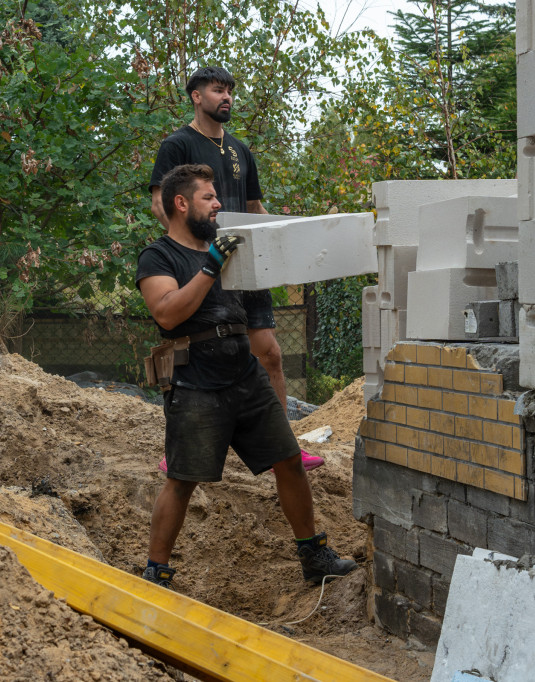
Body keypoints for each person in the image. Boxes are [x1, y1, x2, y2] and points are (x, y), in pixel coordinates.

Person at [137, 164, 356, 588]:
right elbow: (166, 313)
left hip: (245, 375)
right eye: (208, 197)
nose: (219, 204)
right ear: (181, 204)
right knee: (182, 480)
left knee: (290, 462)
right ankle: (156, 572)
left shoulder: (227, 248)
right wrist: (209, 268)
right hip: (196, 381)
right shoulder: (158, 256)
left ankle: (313, 555)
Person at [148, 65, 323, 472]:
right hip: (201, 266)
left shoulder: (241, 151)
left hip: (245, 265)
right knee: (191, 355)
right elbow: (160, 203)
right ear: (196, 96)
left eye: (229, 91)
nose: (226, 97)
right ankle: (177, 448)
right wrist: (194, 253)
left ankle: (287, 448)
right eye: (217, 90)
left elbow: (255, 211)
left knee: (270, 354)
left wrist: (299, 237)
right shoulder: (177, 145)